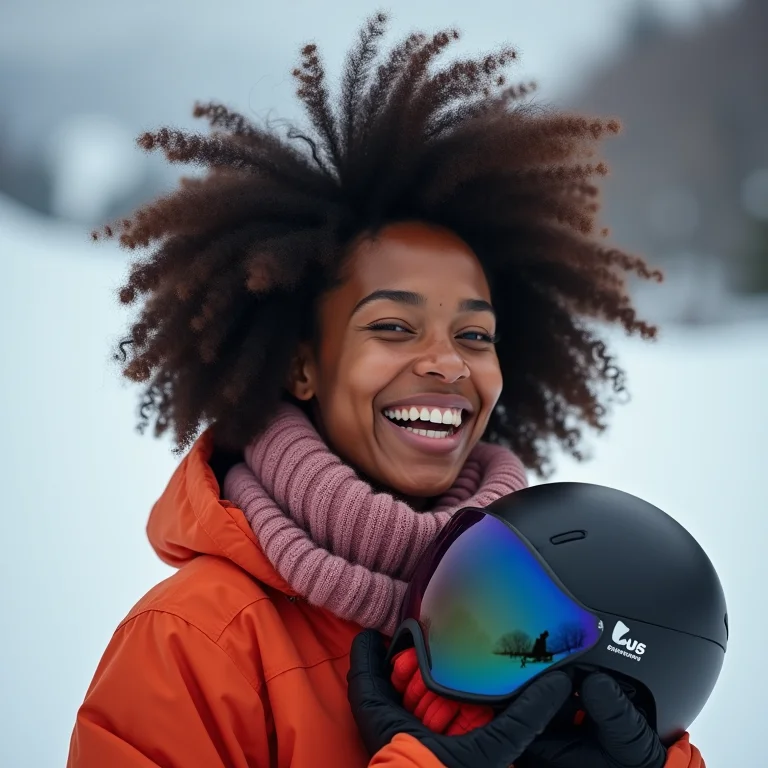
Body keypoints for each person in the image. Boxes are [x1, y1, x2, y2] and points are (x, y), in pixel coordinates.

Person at [67, 13, 705, 768]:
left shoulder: (564, 604)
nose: (448, 364)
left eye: (475, 336)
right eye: (394, 328)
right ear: (303, 363)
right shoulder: (193, 639)